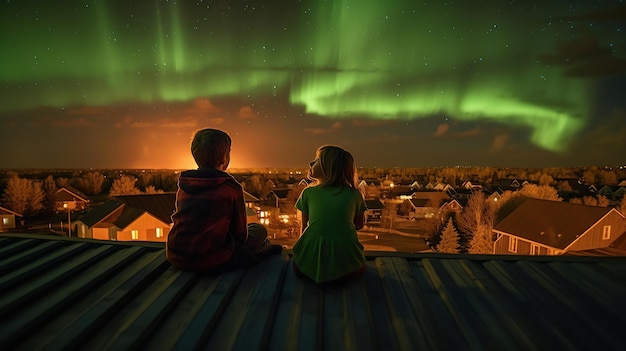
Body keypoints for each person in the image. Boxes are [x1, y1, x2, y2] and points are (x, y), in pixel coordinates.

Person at [166, 128, 282, 273]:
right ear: (224, 158)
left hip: (177, 254)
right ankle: (262, 249)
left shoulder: (185, 184)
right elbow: (241, 236)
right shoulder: (230, 187)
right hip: (211, 258)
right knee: (259, 230)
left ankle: (260, 248)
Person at [293, 145, 367, 284]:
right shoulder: (354, 195)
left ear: (329, 167)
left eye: (316, 160)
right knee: (358, 267)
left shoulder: (308, 193)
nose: (311, 163)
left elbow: (303, 231)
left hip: (308, 266)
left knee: (297, 266)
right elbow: (359, 225)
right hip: (348, 265)